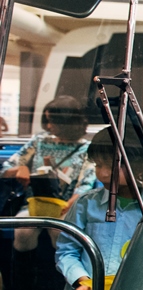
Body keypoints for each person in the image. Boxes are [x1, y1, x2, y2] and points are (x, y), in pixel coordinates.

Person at [55, 127, 143, 290]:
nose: (103, 174)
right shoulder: (86, 204)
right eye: (98, 165)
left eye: (112, 166)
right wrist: (82, 282)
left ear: (140, 167)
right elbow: (67, 251)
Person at [1, 96, 96, 253]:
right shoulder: (40, 141)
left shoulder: (85, 149)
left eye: (54, 121)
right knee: (23, 232)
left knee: (59, 231)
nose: (49, 126)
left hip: (65, 207)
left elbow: (85, 186)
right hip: (35, 205)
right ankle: (25, 274)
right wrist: (20, 169)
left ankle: (57, 275)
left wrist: (65, 207)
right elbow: (6, 168)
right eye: (48, 120)